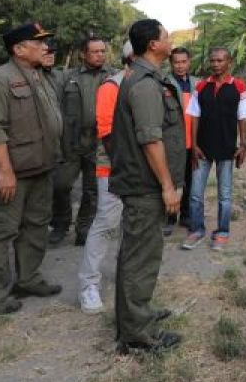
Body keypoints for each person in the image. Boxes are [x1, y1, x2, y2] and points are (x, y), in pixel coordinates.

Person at [0, 23, 64, 315]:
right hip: (12, 173)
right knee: (0, 232)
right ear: (18, 49)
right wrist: (4, 171)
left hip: (41, 168)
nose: (44, 47)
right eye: (38, 43)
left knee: (36, 227)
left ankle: (28, 279)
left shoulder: (41, 76)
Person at [109, 19, 184, 354]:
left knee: (136, 254)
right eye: (166, 36)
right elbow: (150, 139)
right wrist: (168, 186)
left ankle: (136, 316)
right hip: (145, 186)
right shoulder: (144, 84)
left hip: (143, 184)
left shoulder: (146, 78)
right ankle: (138, 335)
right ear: (154, 44)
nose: (171, 40)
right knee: (141, 258)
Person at [78, 41, 132, 314]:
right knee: (106, 223)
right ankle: (89, 285)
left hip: (137, 169)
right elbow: (107, 133)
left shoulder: (150, 83)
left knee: (131, 225)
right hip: (112, 168)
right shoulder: (112, 87)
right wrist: (125, 167)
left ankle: (127, 278)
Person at [183, 47, 246, 251]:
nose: (215, 64)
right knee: (195, 193)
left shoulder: (239, 87)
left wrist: (243, 145)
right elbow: (194, 116)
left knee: (224, 194)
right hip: (202, 149)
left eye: (220, 60)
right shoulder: (202, 86)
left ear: (228, 62)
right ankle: (196, 230)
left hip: (227, 149)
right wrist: (194, 145)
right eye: (212, 60)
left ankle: (222, 232)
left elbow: (243, 117)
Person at [51, 36, 113, 247]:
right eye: (95, 51)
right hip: (71, 142)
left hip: (99, 143)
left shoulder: (112, 77)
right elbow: (55, 108)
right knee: (60, 185)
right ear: (83, 54)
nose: (100, 55)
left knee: (92, 189)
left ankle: (84, 228)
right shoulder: (67, 77)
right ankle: (60, 224)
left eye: (102, 51)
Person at [166, 47, 199, 235]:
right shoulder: (164, 83)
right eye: (176, 62)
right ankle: (169, 217)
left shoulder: (197, 84)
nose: (180, 66)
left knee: (189, 180)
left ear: (189, 62)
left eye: (183, 62)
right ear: (171, 64)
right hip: (173, 143)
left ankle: (185, 215)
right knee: (172, 181)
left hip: (192, 142)